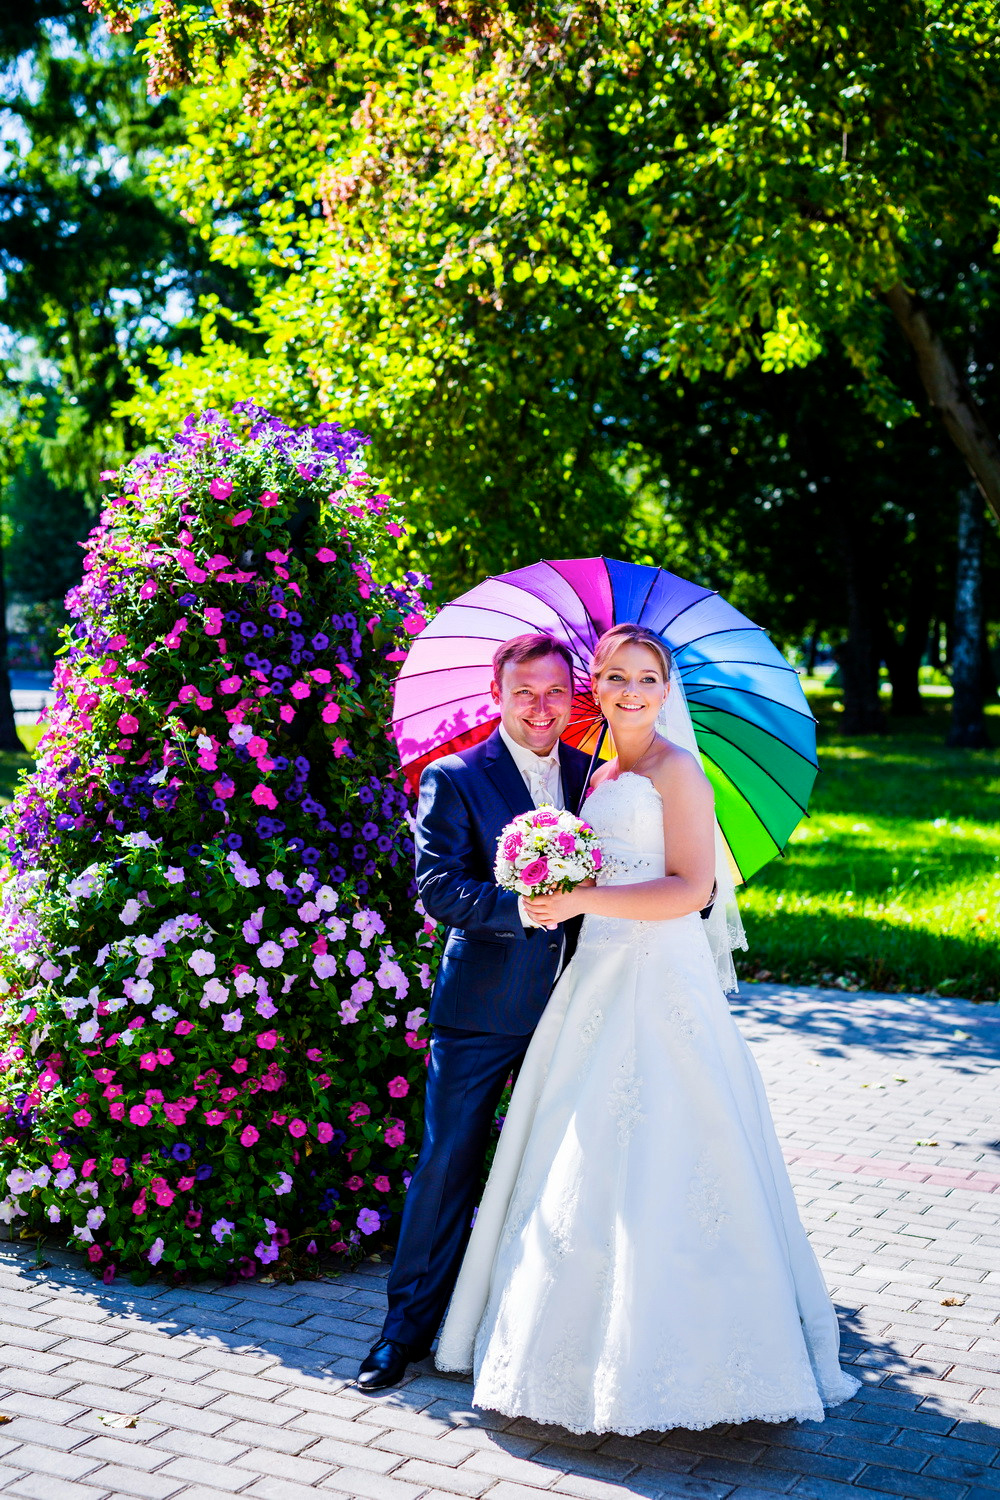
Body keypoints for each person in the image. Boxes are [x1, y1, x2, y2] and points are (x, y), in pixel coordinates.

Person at [434, 623, 859, 1434]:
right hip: (593, 976)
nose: (631, 692)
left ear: (668, 690)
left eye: (648, 678)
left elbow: (692, 889)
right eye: (617, 677)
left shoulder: (677, 769)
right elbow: (609, 870)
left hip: (658, 981)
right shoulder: (598, 774)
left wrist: (586, 896)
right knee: (575, 1158)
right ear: (595, 684)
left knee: (670, 1160)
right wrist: (554, 872)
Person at [357, 633, 592, 1390]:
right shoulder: (456, 778)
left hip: (582, 1003)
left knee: (570, 1171)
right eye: (525, 692)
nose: (541, 708)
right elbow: (439, 891)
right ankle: (403, 1333)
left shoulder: (597, 776)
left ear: (572, 695)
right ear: (498, 694)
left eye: (555, 691)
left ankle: (537, 1333)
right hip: (483, 1007)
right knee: (448, 1162)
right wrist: (528, 908)